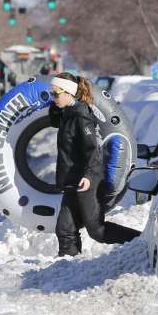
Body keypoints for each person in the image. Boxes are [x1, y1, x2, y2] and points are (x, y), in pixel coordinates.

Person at [50, 72, 141, 256]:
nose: (54, 98)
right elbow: (53, 121)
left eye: (56, 94)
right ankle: (69, 267)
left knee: (97, 231)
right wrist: (52, 105)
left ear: (68, 93)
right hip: (71, 181)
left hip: (86, 182)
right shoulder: (68, 114)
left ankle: (141, 241)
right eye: (52, 94)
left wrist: (88, 176)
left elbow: (93, 151)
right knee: (65, 229)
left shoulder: (81, 117)